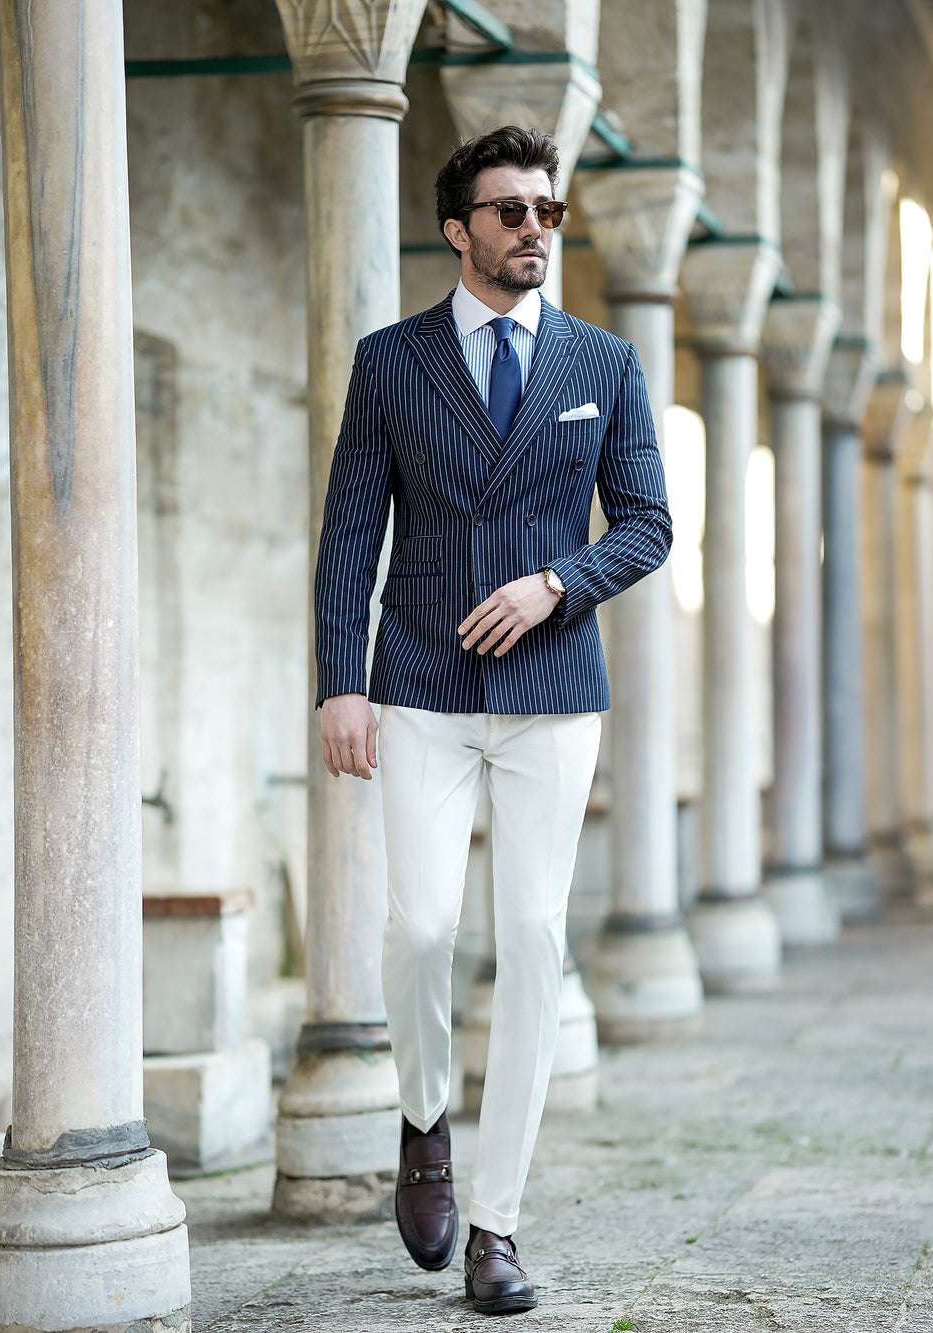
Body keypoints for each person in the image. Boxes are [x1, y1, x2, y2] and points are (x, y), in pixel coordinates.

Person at [312, 124, 672, 1316]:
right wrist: (339, 679)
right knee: (420, 931)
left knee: (531, 938)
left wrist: (557, 582)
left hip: (554, 694)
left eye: (546, 211)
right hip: (414, 680)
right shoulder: (388, 362)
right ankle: (424, 1125)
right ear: (458, 228)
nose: (533, 229)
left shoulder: (603, 364)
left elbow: (647, 523)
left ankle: (498, 1229)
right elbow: (350, 533)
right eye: (510, 211)